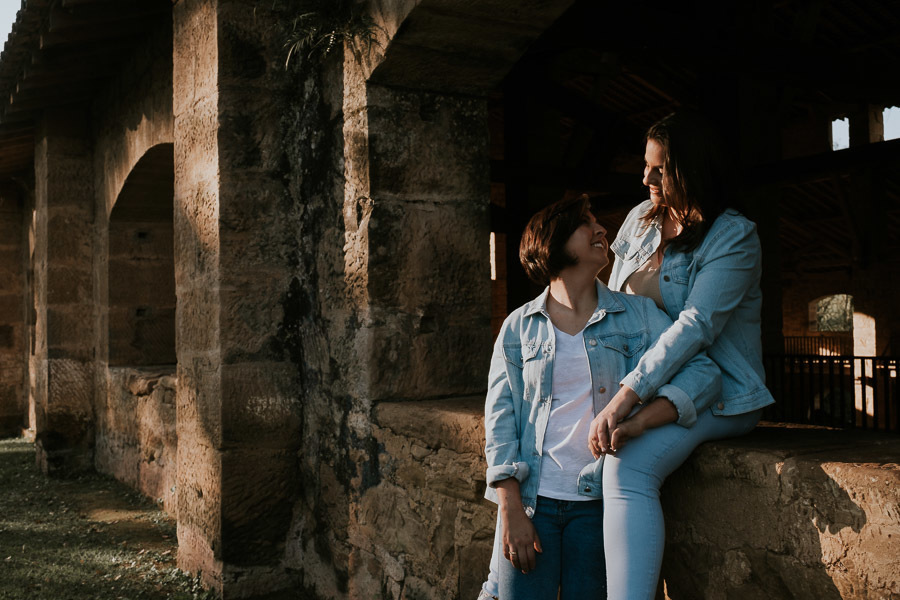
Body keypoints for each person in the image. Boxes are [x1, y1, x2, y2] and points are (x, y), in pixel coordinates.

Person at [483, 194, 721, 600]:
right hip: (531, 507)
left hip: (598, 509)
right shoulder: (518, 327)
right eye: (585, 224)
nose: (602, 230)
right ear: (552, 242)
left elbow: (704, 373)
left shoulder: (639, 315)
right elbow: (500, 420)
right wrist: (510, 508)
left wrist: (641, 419)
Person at [590, 110, 776, 599]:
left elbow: (696, 326)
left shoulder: (734, 236)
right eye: (646, 165)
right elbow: (614, 303)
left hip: (722, 391)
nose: (646, 177)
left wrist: (626, 399)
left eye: (660, 169)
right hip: (639, 387)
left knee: (626, 466)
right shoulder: (638, 218)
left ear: (691, 170)